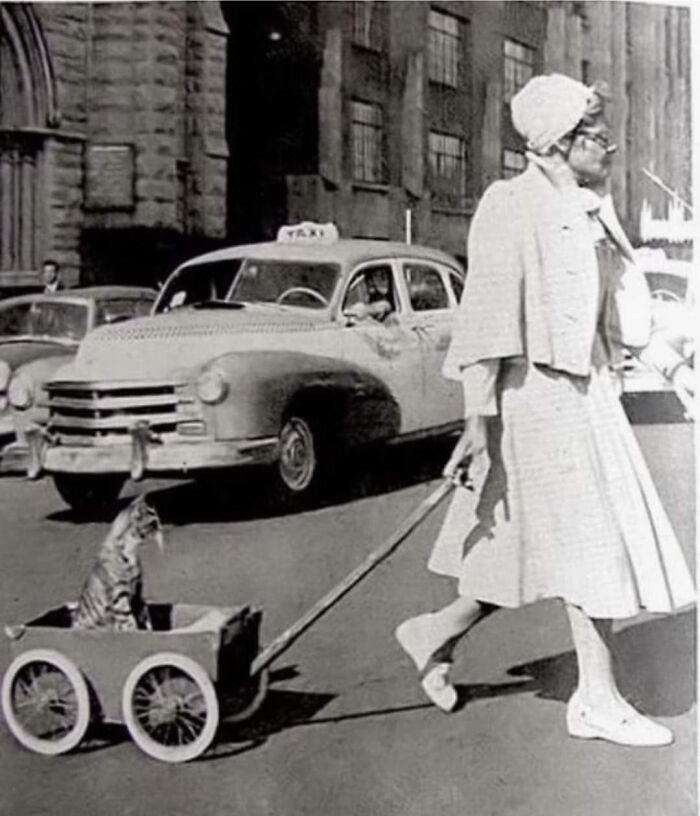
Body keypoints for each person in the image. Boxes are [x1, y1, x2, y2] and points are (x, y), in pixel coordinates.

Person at [394, 74, 695, 747]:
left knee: (528, 548)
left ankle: (433, 632)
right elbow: (488, 320)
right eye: (596, 133)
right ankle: (596, 698)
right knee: (594, 545)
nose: (611, 144)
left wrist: (673, 368)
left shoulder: (591, 206)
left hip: (586, 393)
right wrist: (476, 420)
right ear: (559, 142)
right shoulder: (511, 204)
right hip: (533, 400)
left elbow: (618, 315)